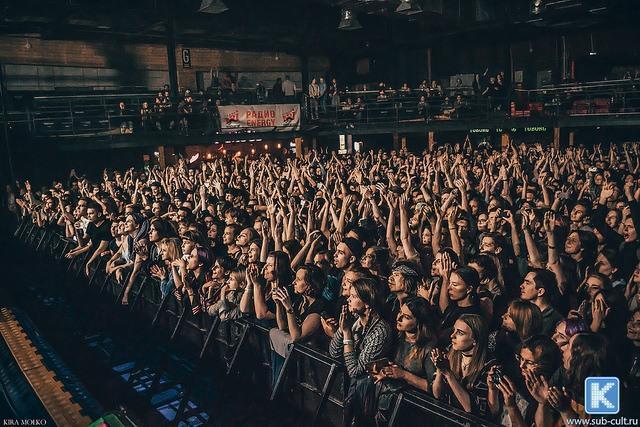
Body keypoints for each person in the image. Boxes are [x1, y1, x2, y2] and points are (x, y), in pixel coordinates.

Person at [329, 277, 393, 425]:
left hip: (369, 397)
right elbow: (333, 351)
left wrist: (346, 334)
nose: (348, 300)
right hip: (354, 390)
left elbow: (355, 370)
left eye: (354, 296)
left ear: (368, 302)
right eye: (349, 296)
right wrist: (343, 328)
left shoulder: (380, 331)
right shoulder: (355, 321)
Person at [431, 314, 494, 416]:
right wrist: (439, 370)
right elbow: (437, 395)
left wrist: (448, 374)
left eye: (460, 333)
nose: (452, 336)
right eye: (454, 330)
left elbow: (472, 410)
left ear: (475, 340)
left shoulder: (488, 366)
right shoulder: (449, 351)